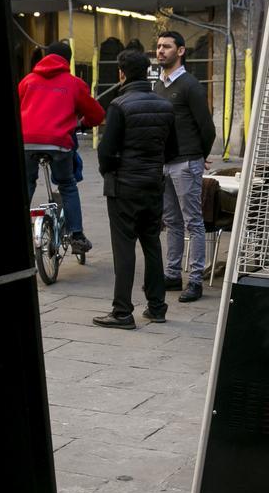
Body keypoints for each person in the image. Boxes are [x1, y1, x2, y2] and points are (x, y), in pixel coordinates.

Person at [92, 49, 178, 330]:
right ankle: (157, 307)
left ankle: (122, 311)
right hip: (153, 185)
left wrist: (111, 170)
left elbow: (106, 152)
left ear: (121, 73)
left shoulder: (119, 105)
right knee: (152, 244)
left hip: (124, 187)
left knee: (124, 247)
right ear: (147, 72)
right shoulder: (165, 106)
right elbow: (173, 149)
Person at [18, 40, 105, 252]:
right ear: (69, 59)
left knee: (27, 183)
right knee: (67, 185)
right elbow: (97, 115)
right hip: (58, 143)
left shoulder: (27, 81)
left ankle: (16, 232)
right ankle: (77, 235)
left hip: (27, 142)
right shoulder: (74, 83)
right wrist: (81, 123)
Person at [154, 30, 216, 303]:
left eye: (166, 46)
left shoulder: (190, 85)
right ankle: (172, 275)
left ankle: (195, 280)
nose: (160, 51)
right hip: (165, 164)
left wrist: (198, 155)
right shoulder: (158, 85)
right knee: (172, 221)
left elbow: (207, 128)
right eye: (158, 47)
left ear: (180, 51)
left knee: (193, 222)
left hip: (186, 162)